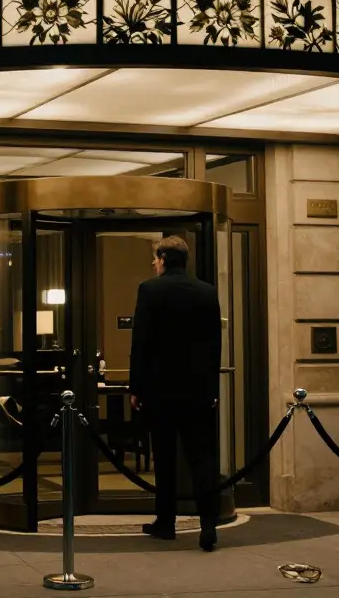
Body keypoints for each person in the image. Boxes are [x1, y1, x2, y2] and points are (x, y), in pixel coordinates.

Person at [129, 235, 222, 552]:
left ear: (164, 258)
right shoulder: (207, 292)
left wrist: (136, 387)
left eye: (155, 258)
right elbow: (214, 346)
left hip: (159, 390)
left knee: (164, 459)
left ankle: (165, 523)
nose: (153, 264)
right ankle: (208, 525)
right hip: (197, 391)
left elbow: (140, 343)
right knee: (202, 459)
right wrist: (212, 388)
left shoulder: (149, 290)